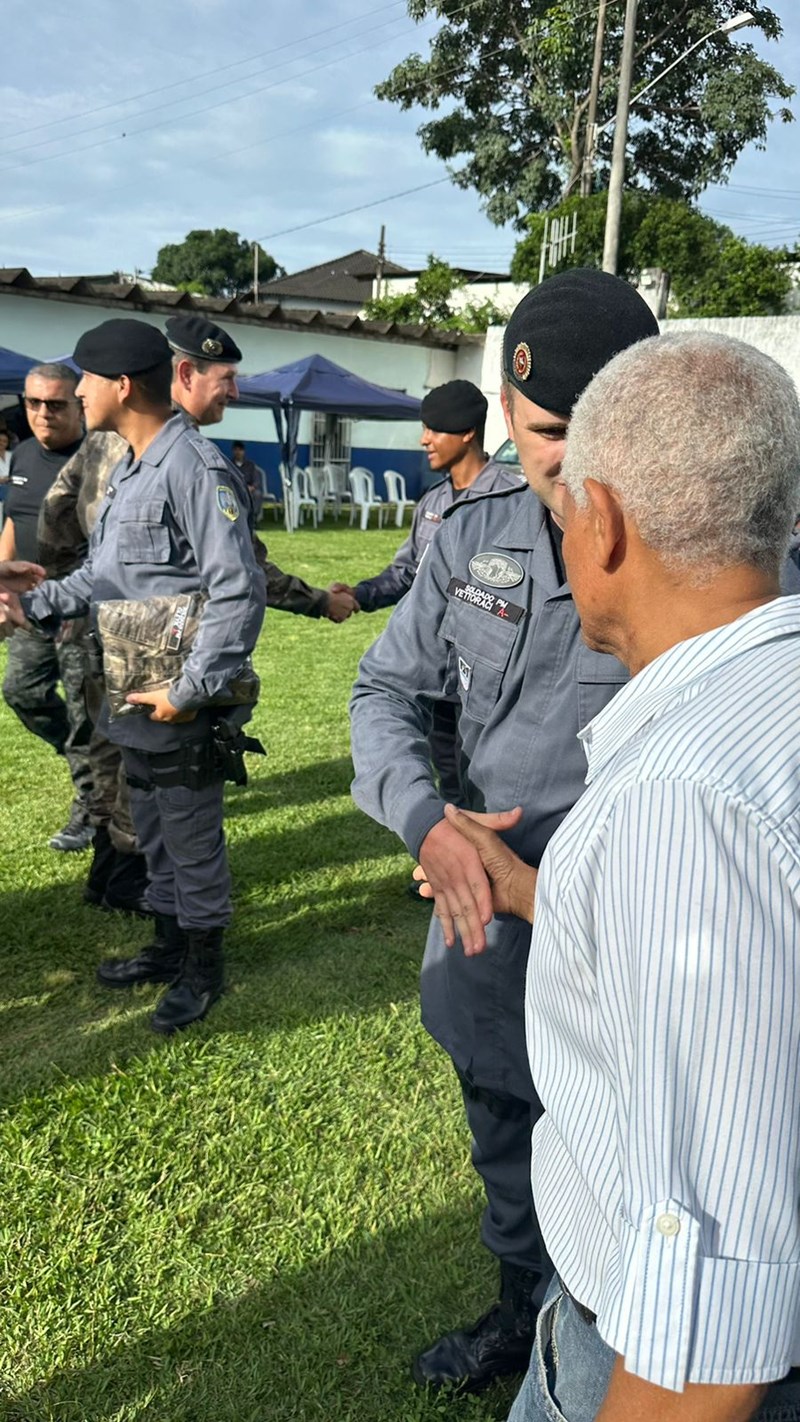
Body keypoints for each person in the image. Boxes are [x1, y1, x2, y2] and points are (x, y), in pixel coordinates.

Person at [442, 331, 800, 1422]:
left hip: (640, 1360)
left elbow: (710, 1332)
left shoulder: (680, 799)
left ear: (596, 523)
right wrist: (532, 892)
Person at [349, 270, 659, 1392]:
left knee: (639, 1152)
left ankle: (611, 1343)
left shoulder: (720, 543)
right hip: (487, 913)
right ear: (501, 404)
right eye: (542, 429)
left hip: (640, 928)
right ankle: (516, 1311)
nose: (568, 456)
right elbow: (384, 691)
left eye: (598, 426)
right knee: (502, 1120)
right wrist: (426, 824)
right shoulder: (470, 528)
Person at [1, 319, 266, 1035]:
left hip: (177, 692)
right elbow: (108, 574)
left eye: (84, 379)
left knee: (190, 835)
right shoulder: (132, 465)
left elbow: (238, 588)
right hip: (130, 680)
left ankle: (204, 967)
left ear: (120, 386)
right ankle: (168, 944)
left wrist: (191, 693)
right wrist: (31, 602)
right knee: (148, 825)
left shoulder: (194, 467)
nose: (76, 391)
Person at [335, 380, 522, 805]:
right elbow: (408, 572)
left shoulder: (513, 500)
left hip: (488, 685)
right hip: (436, 678)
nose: (424, 440)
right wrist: (360, 595)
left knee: (491, 793)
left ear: (467, 433)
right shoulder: (433, 501)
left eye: (435, 429)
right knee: (449, 789)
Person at [165, 315, 357, 624]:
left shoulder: (121, 442)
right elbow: (242, 563)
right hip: (179, 642)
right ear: (187, 374)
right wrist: (321, 601)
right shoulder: (195, 462)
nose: (235, 392)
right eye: (225, 378)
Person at [38, 429, 150, 913]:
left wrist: (67, 598)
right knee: (137, 765)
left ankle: (103, 878)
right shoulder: (168, 453)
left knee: (107, 750)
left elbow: (57, 513)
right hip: (144, 635)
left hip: (99, 624)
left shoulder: (98, 448)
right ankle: (124, 881)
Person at [0, 363, 95, 851]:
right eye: (32, 403)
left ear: (79, 404)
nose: (41, 414)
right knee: (21, 691)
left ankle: (91, 805)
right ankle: (93, 769)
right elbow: (13, 522)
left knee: (86, 714)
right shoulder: (20, 455)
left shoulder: (101, 458)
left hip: (80, 608)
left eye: (55, 404)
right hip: (29, 604)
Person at [231, 440, 266, 525]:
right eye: (236, 450)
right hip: (235, 489)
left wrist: (251, 487)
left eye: (240, 450)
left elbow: (256, 480)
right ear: (233, 451)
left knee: (257, 494)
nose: (238, 452)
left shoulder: (250, 465)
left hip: (249, 489)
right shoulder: (230, 464)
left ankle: (253, 519)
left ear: (244, 451)